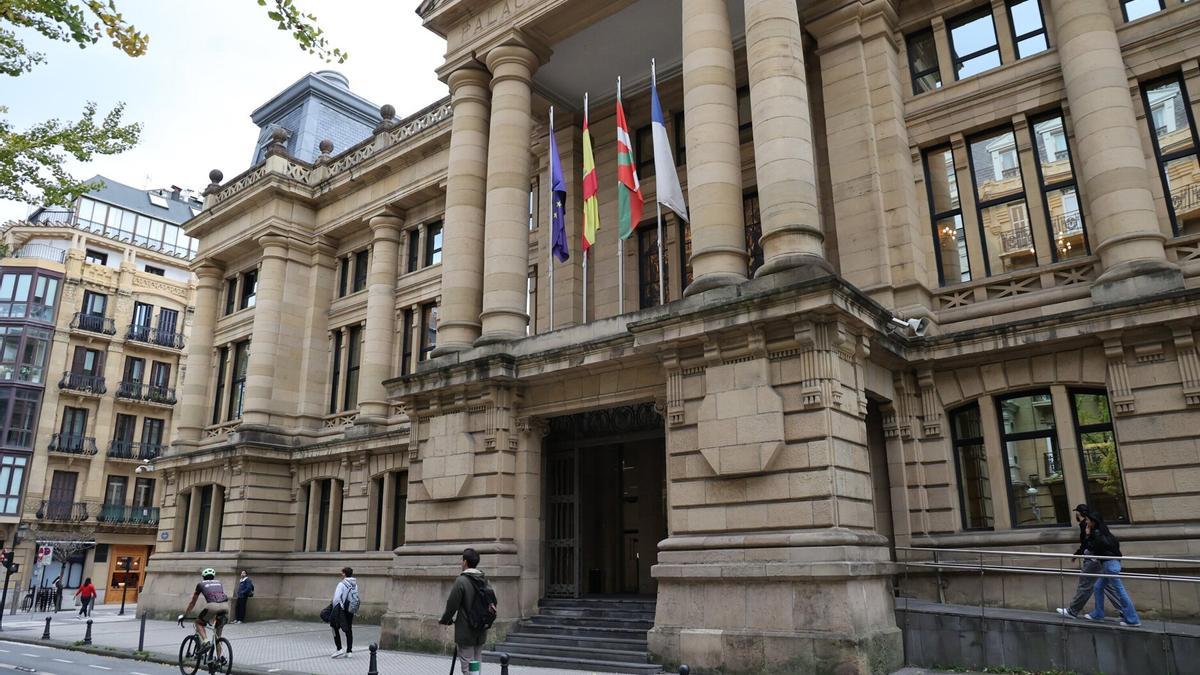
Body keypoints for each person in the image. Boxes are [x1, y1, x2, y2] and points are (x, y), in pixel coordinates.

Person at [1056, 504, 1122, 619]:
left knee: (1085, 584)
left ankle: (1073, 611)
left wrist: (1084, 550)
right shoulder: (1097, 525)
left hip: (1094, 559)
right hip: (1100, 559)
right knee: (1106, 585)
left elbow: (1088, 544)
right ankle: (1123, 611)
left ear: (1080, 513)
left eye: (1077, 512)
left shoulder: (1087, 525)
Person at [1080, 510, 1141, 627]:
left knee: (1120, 592)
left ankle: (1133, 619)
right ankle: (1098, 613)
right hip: (1111, 563)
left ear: (1093, 522)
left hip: (1109, 565)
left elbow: (1093, 547)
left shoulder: (1097, 534)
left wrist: (1087, 535)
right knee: (1098, 587)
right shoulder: (1105, 532)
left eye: (1087, 520)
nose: (1086, 522)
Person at [439, 548, 494, 675]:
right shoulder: (484, 580)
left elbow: (452, 605)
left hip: (466, 630)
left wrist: (445, 619)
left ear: (465, 562)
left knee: (467, 666)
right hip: (481, 629)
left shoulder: (461, 581)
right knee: (476, 663)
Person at [179, 568, 230, 665]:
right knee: (218, 636)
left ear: (203, 577)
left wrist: (185, 615)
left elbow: (193, 602)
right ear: (213, 576)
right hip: (225, 607)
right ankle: (219, 659)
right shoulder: (219, 583)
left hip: (212, 607)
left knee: (198, 622)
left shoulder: (201, 584)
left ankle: (206, 642)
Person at [330, 567, 358, 659]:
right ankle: (349, 651)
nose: (341, 574)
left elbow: (337, 598)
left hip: (342, 610)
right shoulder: (355, 584)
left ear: (344, 574)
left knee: (334, 626)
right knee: (349, 629)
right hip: (351, 609)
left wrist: (335, 609)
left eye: (342, 573)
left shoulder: (341, 584)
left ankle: (339, 649)